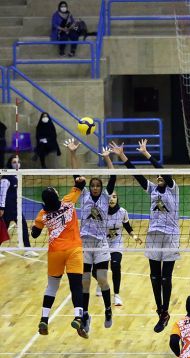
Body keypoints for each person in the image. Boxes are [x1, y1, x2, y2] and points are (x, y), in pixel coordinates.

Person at [110, 139, 178, 333]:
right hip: (153, 236)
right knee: (154, 277)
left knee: (165, 278)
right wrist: (122, 156)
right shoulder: (153, 190)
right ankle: (161, 312)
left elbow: (163, 171)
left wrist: (146, 154)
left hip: (170, 237)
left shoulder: (173, 190)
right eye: (157, 176)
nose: (159, 177)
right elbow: (136, 174)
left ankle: (166, 310)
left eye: (161, 176)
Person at [67, 140, 116, 333]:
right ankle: (85, 315)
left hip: (101, 243)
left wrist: (108, 158)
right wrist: (73, 153)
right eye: (93, 185)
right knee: (85, 281)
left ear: (101, 188)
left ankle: (108, 310)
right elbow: (76, 175)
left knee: (102, 279)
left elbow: (113, 175)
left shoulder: (105, 196)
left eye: (97, 186)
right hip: (85, 243)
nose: (95, 188)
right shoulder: (84, 194)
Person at [31, 175, 88, 338]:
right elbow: (81, 183)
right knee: (76, 286)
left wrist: (40, 224)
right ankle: (78, 317)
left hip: (55, 252)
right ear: (56, 196)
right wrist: (78, 179)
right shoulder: (68, 201)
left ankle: (44, 319)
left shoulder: (42, 214)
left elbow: (35, 234)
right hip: (73, 250)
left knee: (52, 287)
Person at [0, 156, 37, 257]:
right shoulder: (6, 178)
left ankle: (27, 250)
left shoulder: (16, 175)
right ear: (10, 164)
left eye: (18, 162)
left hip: (16, 208)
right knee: (3, 229)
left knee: (23, 227)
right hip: (7, 209)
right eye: (14, 162)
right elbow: (2, 194)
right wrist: (1, 208)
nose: (17, 164)